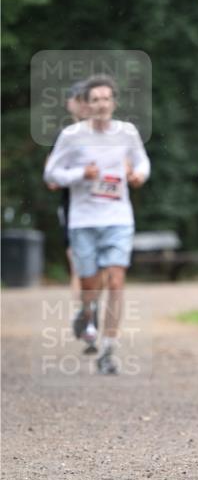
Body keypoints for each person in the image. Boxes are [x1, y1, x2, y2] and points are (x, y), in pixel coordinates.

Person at [43, 76, 150, 375]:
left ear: (114, 103)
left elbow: (142, 162)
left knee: (116, 280)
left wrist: (138, 175)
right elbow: (52, 175)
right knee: (90, 285)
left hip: (118, 218)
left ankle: (108, 349)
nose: (102, 104)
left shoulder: (127, 133)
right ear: (86, 105)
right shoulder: (71, 136)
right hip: (83, 221)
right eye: (96, 100)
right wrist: (80, 174)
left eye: (106, 99)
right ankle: (87, 310)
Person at [45, 80, 90, 293]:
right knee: (77, 264)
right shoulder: (64, 137)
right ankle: (85, 318)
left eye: (85, 99)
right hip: (72, 207)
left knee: (106, 270)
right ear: (69, 104)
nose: (82, 104)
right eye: (77, 99)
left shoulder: (109, 134)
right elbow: (52, 179)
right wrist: (81, 174)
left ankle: (96, 316)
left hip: (106, 207)